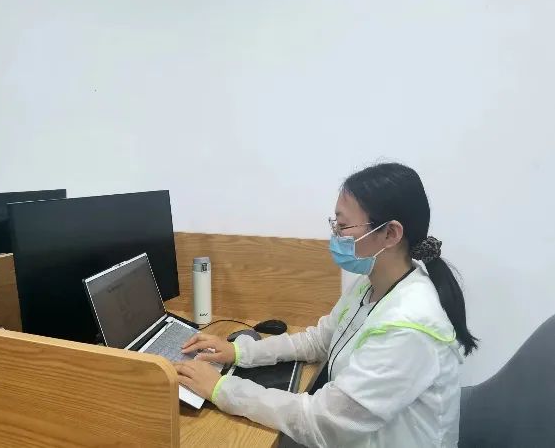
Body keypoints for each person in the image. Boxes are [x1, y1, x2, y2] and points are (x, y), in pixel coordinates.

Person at [174, 162, 477, 448]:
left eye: (343, 226)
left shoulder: (408, 327)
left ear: (390, 233)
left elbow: (323, 421)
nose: (335, 236)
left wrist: (221, 389)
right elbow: (320, 340)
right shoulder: (373, 283)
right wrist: (240, 352)